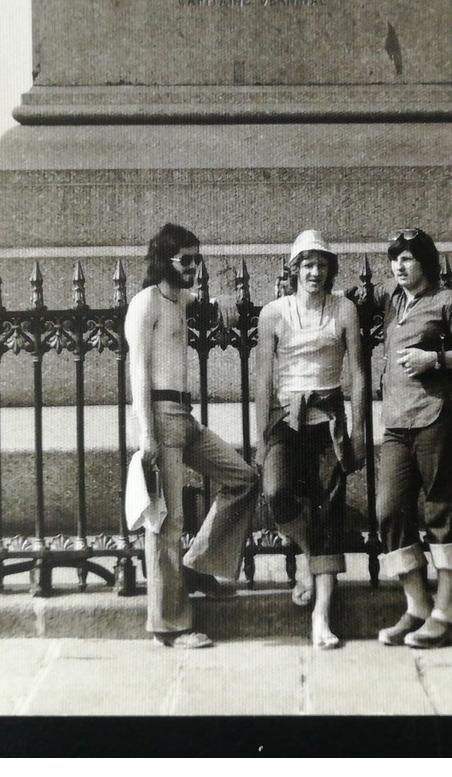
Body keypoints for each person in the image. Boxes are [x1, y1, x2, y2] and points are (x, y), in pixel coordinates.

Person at [125, 223, 260, 650]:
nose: (195, 267)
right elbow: (139, 372)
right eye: (187, 259)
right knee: (166, 523)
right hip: (160, 418)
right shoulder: (145, 303)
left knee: (243, 478)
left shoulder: (181, 300)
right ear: (164, 260)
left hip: (185, 416)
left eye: (197, 258)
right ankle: (170, 625)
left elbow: (206, 305)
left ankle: (196, 565)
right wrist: (146, 432)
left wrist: (217, 303)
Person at [372, 228, 452, 649]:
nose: (399, 267)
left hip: (439, 417)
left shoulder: (448, 302)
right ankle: (417, 607)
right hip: (396, 424)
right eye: (394, 259)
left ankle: (445, 613)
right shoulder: (392, 300)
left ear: (426, 262)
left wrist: (435, 358)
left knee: (441, 509)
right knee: (389, 510)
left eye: (407, 259)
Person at [255, 230, 368, 650]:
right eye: (307, 264)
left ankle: (321, 615)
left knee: (327, 510)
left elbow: (357, 374)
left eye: (321, 264)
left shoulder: (344, 309)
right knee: (278, 493)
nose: (314, 271)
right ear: (294, 269)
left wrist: (360, 434)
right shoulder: (274, 313)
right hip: (286, 418)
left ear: (330, 269)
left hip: (328, 420)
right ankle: (307, 557)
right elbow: (263, 379)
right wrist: (260, 437)